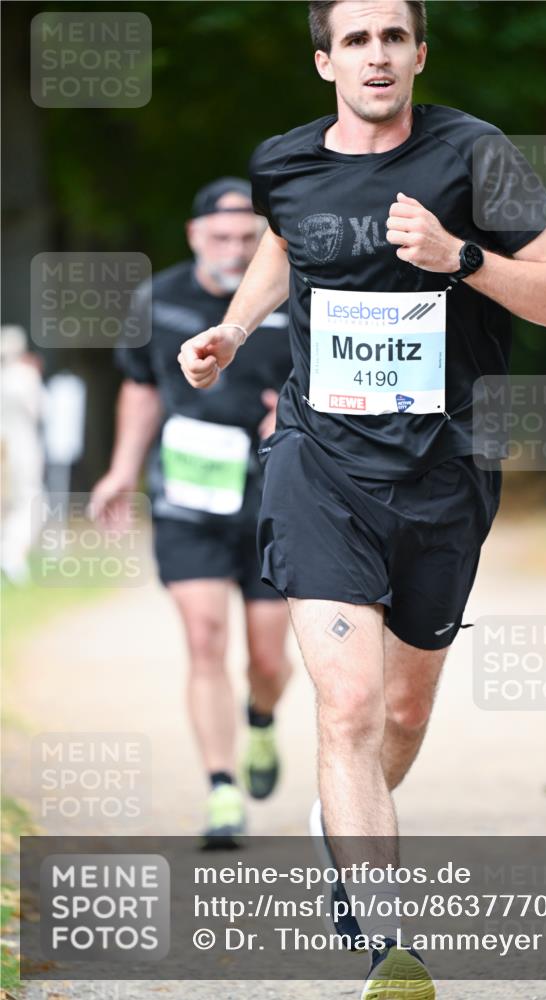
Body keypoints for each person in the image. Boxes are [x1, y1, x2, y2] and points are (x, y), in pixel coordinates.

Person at [178, 3, 546, 994]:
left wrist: (461, 258)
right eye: (354, 40)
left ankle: (337, 818)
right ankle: (383, 945)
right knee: (348, 703)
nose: (375, 55)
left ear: (418, 55)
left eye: (391, 37)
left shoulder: (475, 154)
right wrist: (233, 330)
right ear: (325, 61)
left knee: (400, 711)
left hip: (444, 472)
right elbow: (281, 245)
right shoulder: (287, 160)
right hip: (317, 459)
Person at [91, 178, 294, 848]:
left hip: (274, 500)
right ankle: (220, 789)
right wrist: (122, 469)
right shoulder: (162, 299)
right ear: (193, 235)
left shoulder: (291, 300)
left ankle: (260, 722)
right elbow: (142, 386)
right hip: (187, 499)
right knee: (204, 637)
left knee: (268, 662)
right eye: (221, 237)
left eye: (247, 238)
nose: (234, 251)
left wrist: (289, 420)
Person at [0, 325, 46, 584]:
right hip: (22, 445)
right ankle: (12, 555)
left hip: (5, 445)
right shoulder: (24, 375)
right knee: (31, 501)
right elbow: (39, 410)